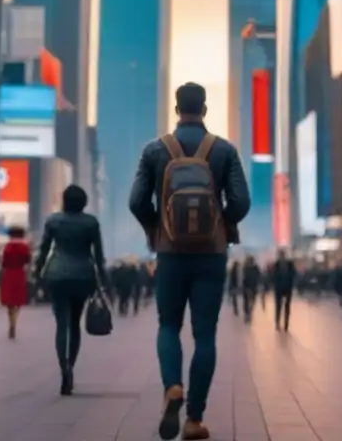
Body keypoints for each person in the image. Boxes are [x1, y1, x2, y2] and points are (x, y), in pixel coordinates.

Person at [129, 82, 250, 441]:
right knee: (205, 335)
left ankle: (173, 387)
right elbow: (241, 201)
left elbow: (137, 201)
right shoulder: (223, 150)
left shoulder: (155, 150)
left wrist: (156, 227)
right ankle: (194, 419)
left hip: (170, 253)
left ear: (177, 108)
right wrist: (222, 223)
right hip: (210, 255)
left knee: (168, 326)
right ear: (206, 109)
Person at [34, 183, 108, 397]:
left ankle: (63, 367)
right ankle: (71, 368)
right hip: (83, 275)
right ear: (84, 202)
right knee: (75, 324)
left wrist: (37, 274)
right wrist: (104, 282)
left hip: (56, 274)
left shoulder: (53, 221)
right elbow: (100, 257)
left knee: (61, 324)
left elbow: (43, 250)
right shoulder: (91, 223)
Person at [0, 227, 31, 340]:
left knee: (9, 302)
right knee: (18, 301)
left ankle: (11, 322)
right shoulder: (25, 247)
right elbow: (27, 262)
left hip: (9, 273)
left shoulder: (7, 247)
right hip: (20, 273)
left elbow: (3, 263)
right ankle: (15, 322)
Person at [272, 250, 296, 332]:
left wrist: (291, 281)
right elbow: (273, 275)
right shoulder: (276, 264)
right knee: (278, 306)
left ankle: (286, 324)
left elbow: (293, 273)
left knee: (287, 307)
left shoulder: (289, 264)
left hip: (287, 287)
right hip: (279, 288)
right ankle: (278, 323)